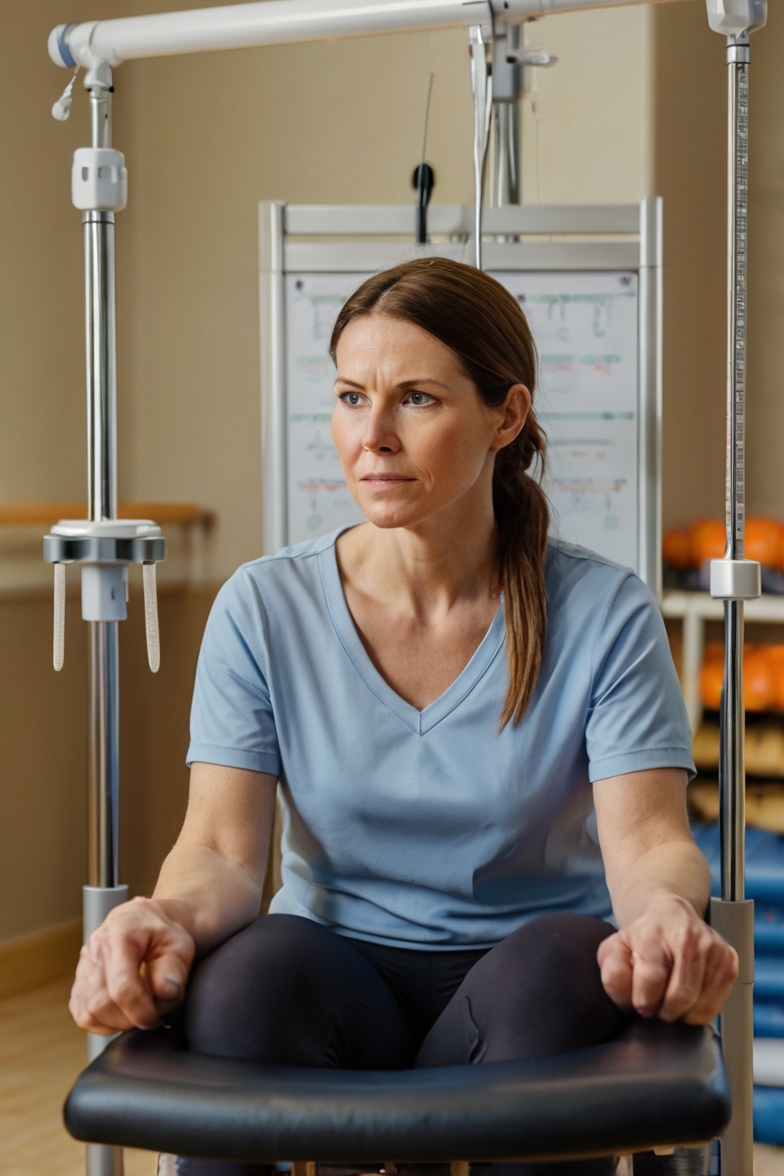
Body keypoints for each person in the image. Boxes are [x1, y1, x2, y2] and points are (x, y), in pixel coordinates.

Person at [69, 258, 737, 1176]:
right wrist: (168, 915)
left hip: (524, 984)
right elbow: (222, 851)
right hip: (334, 971)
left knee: (567, 967)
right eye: (350, 397)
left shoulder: (603, 611)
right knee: (239, 985)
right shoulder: (263, 607)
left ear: (506, 415)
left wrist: (664, 917)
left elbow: (648, 842)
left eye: (415, 399)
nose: (371, 436)